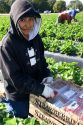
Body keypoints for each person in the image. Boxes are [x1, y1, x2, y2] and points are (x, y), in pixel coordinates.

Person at [0, 0, 57, 119]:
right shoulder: (7, 45)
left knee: (38, 118)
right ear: (14, 20)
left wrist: (46, 74)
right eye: (22, 20)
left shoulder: (36, 38)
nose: (28, 24)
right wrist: (42, 89)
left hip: (36, 91)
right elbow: (16, 78)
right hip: (18, 96)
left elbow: (41, 61)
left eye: (30, 19)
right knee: (21, 119)